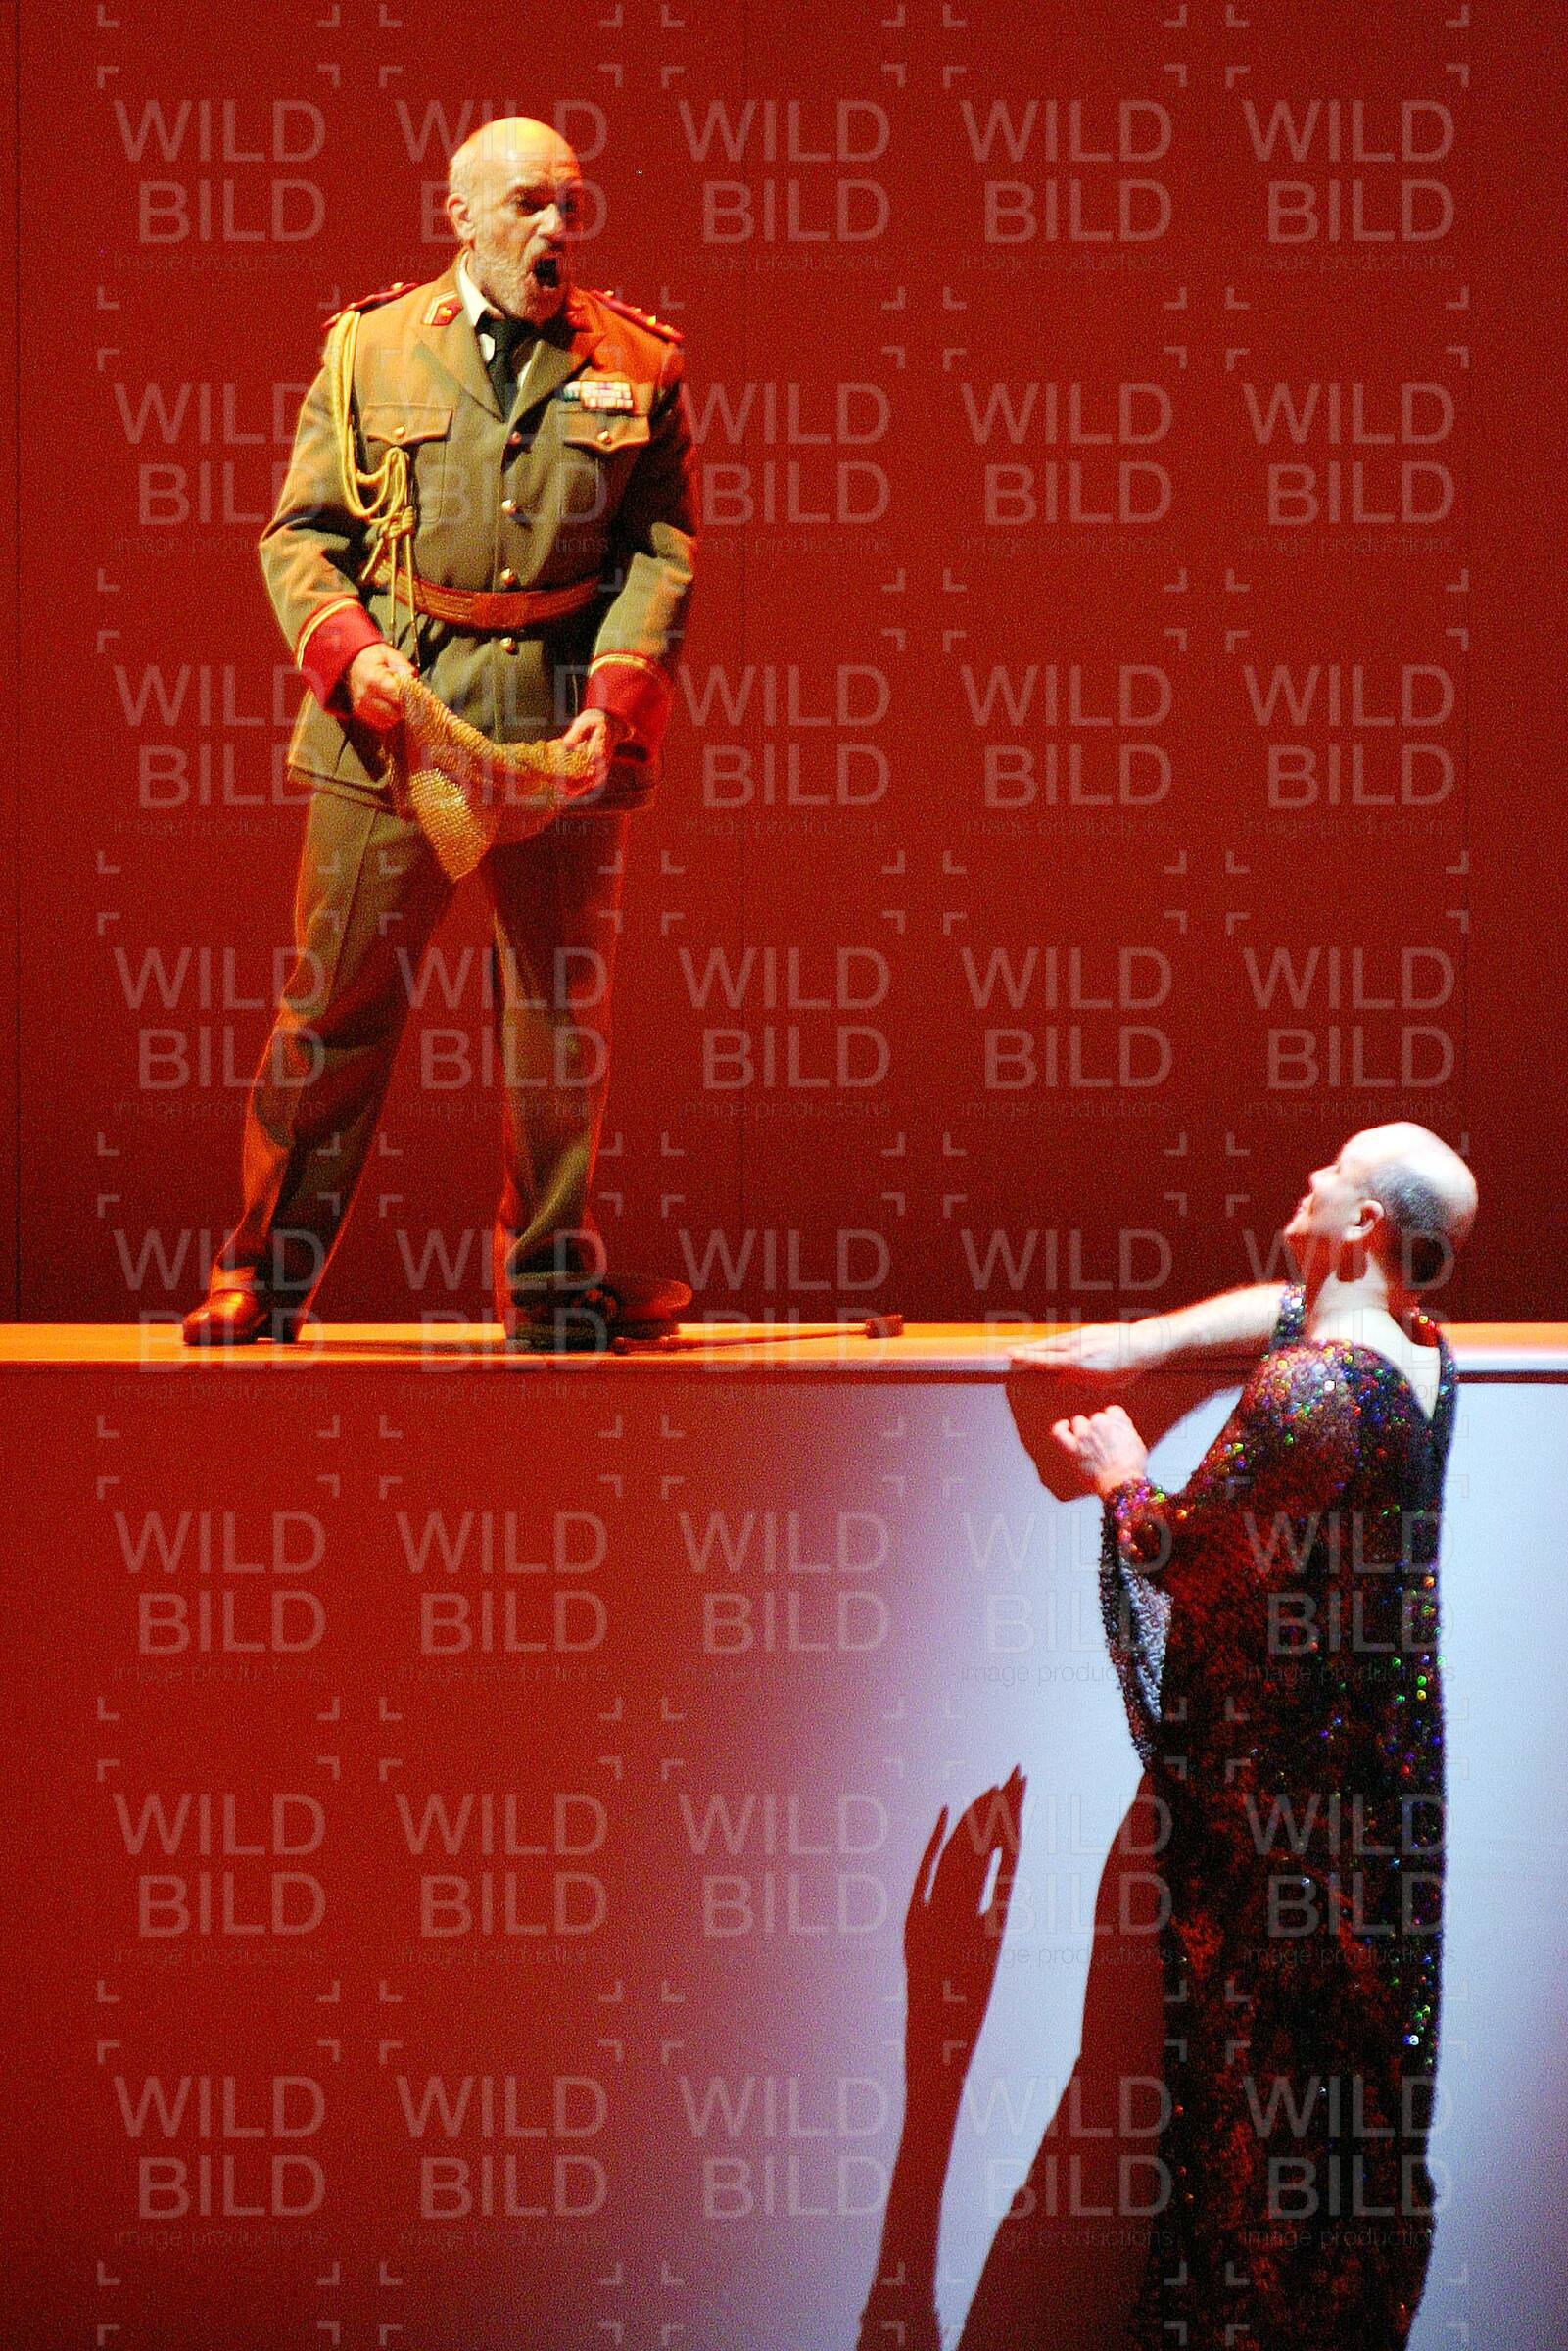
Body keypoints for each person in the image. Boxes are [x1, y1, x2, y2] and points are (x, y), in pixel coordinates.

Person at [181, 117, 697, 1348]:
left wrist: (614, 698)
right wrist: (349, 655)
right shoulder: (370, 352)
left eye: (571, 205)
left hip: (556, 736)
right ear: (460, 215)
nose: (555, 228)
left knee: (558, 1025)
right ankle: (264, 1275)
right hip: (395, 732)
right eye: (528, 203)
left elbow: (659, 550)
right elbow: (302, 536)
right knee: (335, 1010)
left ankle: (549, 1283)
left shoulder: (639, 362)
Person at [1037, 1124, 1476, 2348]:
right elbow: (1287, 1310)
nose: (1308, 1179)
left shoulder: (1311, 1393)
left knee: (1252, 2117)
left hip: (1281, 1829)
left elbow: (1187, 1554)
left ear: (1365, 1224)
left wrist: (1122, 1473)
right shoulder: (1421, 1358)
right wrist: (1145, 1341)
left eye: (1330, 1173)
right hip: (1370, 1815)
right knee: (1343, 2119)